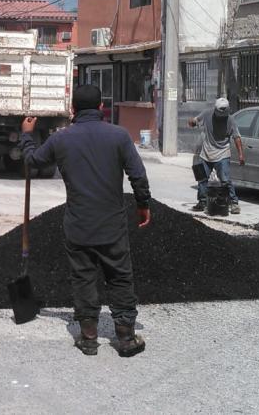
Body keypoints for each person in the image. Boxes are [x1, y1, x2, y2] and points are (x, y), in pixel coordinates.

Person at [20, 84, 151, 357]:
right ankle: (126, 337)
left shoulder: (61, 139)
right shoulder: (119, 136)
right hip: (112, 226)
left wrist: (27, 136)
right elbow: (137, 174)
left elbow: (33, 162)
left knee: (83, 278)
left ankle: (89, 338)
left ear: (72, 110)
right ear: (102, 107)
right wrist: (142, 205)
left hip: (78, 225)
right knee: (119, 277)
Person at [187, 98, 245, 214]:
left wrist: (241, 155)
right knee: (202, 179)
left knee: (226, 180)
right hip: (207, 152)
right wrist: (192, 122)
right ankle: (202, 202)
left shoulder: (230, 120)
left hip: (223, 153)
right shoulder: (207, 114)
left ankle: (234, 203)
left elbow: (237, 138)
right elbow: (195, 121)